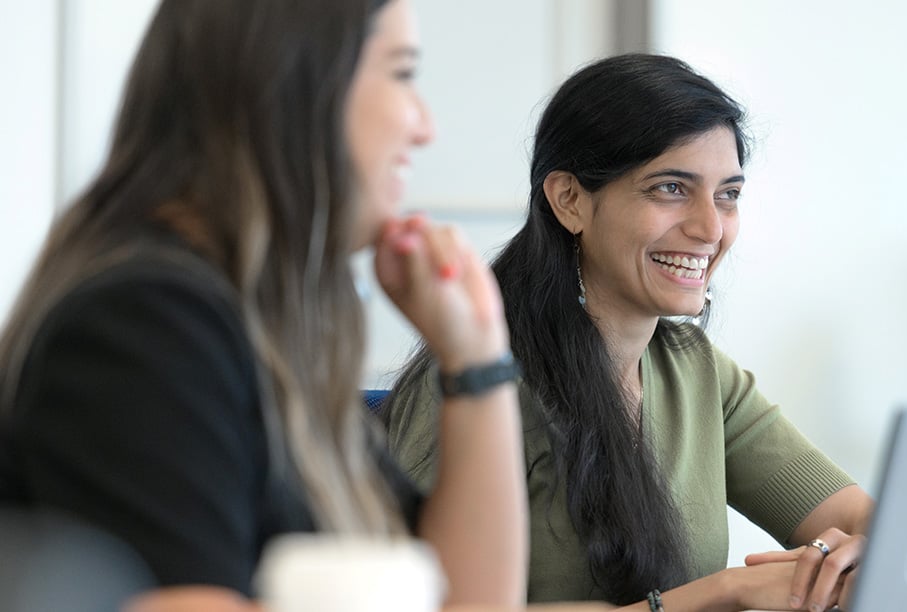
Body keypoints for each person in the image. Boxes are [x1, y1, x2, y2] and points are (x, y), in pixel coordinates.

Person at [0, 1, 530, 610]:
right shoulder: (148, 322)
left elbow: (470, 602)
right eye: (402, 73)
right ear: (295, 85)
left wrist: (478, 358)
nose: (424, 125)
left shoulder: (269, 329)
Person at [381, 53, 875, 612]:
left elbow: (861, 517)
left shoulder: (695, 369)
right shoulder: (475, 382)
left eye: (728, 194)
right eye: (669, 188)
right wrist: (725, 590)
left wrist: (856, 553)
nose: (710, 228)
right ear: (570, 200)